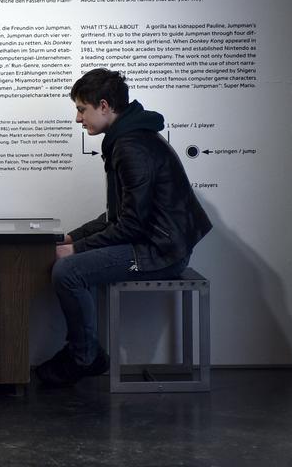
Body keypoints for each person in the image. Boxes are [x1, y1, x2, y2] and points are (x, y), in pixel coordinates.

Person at [37, 69, 213, 386]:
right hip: (156, 243)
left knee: (69, 271)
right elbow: (119, 216)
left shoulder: (131, 147)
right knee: (71, 264)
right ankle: (86, 352)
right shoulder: (129, 138)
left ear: (104, 106)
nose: (79, 119)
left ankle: (84, 357)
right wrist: (72, 237)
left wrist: (75, 249)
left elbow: (130, 224)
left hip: (161, 253)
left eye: (81, 109)